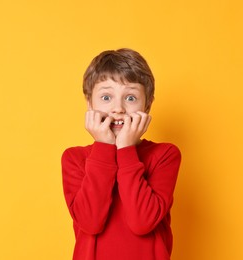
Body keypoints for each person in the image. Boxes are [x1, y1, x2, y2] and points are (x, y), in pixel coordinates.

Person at [61, 48, 181, 260]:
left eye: (131, 98)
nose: (118, 108)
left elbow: (142, 221)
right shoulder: (74, 159)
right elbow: (90, 222)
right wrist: (104, 147)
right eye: (106, 97)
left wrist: (126, 149)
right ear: (90, 103)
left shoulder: (165, 155)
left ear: (147, 105)